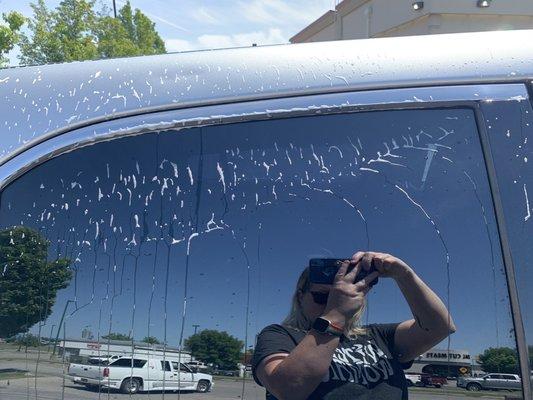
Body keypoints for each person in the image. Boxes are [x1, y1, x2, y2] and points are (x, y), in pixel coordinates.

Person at [251, 251, 456, 400]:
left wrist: (404, 275)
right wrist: (337, 314)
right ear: (300, 297)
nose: (331, 303)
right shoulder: (280, 335)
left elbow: (439, 326)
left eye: (339, 297)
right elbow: (288, 389)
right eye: (323, 297)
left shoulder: (377, 335)